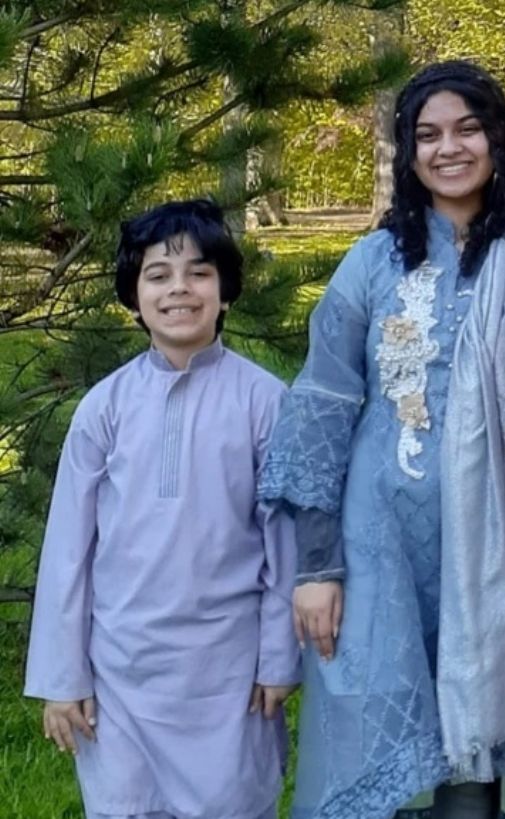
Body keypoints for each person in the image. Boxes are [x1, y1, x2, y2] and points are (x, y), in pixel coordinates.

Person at [259, 61, 505, 818]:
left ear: (499, 138)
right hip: (381, 548)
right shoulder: (375, 262)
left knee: (489, 732)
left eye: (468, 128)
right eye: (428, 135)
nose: (449, 148)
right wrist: (318, 564)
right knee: (378, 725)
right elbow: (323, 408)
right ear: (408, 152)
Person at [25, 199, 298, 819]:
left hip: (228, 673)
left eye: (199, 272)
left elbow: (284, 543)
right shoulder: (105, 408)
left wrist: (279, 657)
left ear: (225, 291)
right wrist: (63, 679)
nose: (179, 289)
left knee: (230, 803)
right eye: (158, 275)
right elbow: (69, 551)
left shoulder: (264, 402)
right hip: (121, 673)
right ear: (134, 295)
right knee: (127, 804)